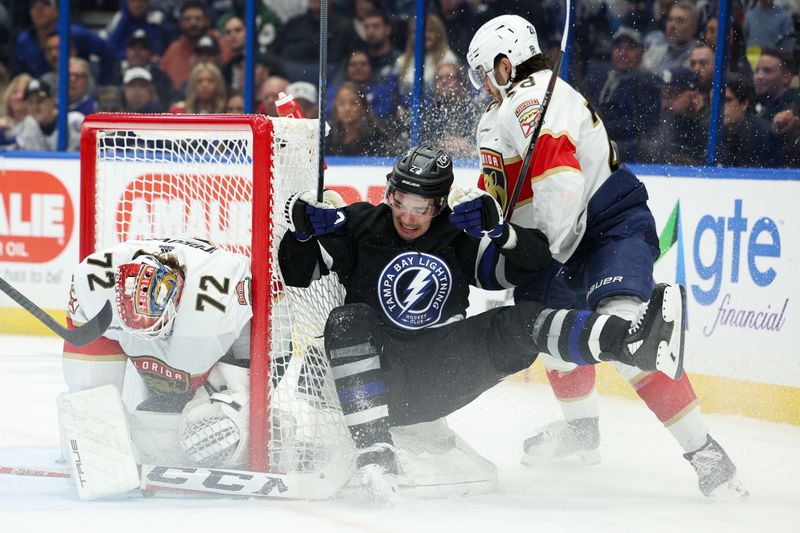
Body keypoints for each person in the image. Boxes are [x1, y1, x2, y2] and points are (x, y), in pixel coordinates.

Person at [278, 144, 686, 499]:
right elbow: (297, 273)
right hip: (384, 379)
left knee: (520, 321)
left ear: (439, 206)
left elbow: (535, 264)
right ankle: (374, 457)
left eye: (421, 208)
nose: (408, 216)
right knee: (348, 319)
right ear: (389, 193)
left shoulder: (458, 235)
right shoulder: (361, 225)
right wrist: (298, 235)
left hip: (443, 374)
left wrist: (500, 231)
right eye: (400, 201)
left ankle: (629, 342)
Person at [465, 15, 747, 500]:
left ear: (503, 63)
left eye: (484, 74)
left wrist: (544, 254)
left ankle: (705, 453)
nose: (482, 86)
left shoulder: (532, 99)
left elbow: (560, 182)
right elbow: (511, 199)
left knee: (626, 334)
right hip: (562, 240)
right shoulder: (504, 112)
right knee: (550, 333)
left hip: (605, 225)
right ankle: (581, 434)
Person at [62, 236, 253, 468]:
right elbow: (88, 383)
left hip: (236, 345)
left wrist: (244, 400)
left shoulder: (209, 315)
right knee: (92, 412)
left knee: (213, 431)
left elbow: (178, 381)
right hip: (179, 349)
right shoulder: (92, 282)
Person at [15, 78, 83, 151]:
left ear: (52, 100)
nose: (35, 107)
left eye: (40, 101)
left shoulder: (75, 122)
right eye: (30, 102)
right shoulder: (27, 126)